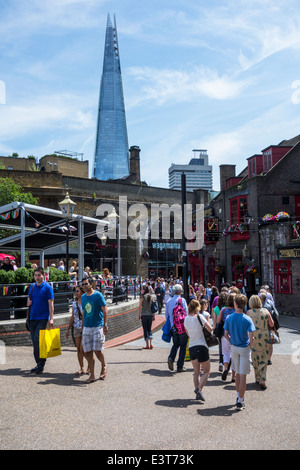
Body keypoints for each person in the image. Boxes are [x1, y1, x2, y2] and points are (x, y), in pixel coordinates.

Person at [224, 294, 255, 411]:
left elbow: (226, 334)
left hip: (234, 346)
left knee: (237, 373)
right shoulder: (247, 319)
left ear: (235, 304)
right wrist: (250, 346)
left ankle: (238, 397)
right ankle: (241, 400)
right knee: (243, 375)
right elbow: (252, 337)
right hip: (244, 347)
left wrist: (231, 341)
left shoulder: (229, 318)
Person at [26, 267, 54, 374]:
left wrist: (51, 318)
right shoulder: (32, 287)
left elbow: (51, 303)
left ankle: (41, 363)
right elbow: (29, 299)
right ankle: (39, 363)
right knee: (34, 341)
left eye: (39, 275)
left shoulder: (47, 287)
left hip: (43, 317)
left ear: (43, 275)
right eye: (35, 275)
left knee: (38, 339)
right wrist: (28, 301)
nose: (37, 277)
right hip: (32, 317)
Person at [184, 299, 213, 401]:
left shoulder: (186, 319)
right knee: (206, 371)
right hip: (201, 345)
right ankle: (199, 390)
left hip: (192, 346)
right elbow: (209, 329)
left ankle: (197, 390)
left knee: (196, 372)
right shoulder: (199, 317)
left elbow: (188, 333)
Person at [81, 277, 108, 384]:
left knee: (97, 351)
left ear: (91, 284)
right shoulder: (83, 297)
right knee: (87, 351)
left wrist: (105, 324)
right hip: (87, 327)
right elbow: (84, 312)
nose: (84, 286)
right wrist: (83, 326)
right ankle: (92, 375)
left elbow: (105, 309)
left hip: (98, 326)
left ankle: (103, 365)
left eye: (86, 284)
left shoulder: (98, 295)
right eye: (82, 284)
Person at [248, 295, 274, 389]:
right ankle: (263, 378)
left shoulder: (249, 312)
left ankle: (258, 378)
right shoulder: (265, 311)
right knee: (264, 356)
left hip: (253, 336)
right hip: (264, 336)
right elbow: (271, 324)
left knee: (255, 357)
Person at [165, 284, 188, 372]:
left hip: (173, 327)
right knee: (183, 346)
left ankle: (171, 357)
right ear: (180, 292)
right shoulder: (182, 300)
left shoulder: (169, 301)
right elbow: (186, 312)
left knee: (175, 344)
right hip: (182, 327)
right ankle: (180, 366)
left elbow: (166, 315)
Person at [66, 285, 87, 375]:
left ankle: (90, 365)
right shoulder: (74, 304)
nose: (76, 292)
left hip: (85, 327)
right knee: (78, 349)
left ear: (82, 293)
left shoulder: (86, 302)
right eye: (76, 291)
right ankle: (82, 368)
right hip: (76, 327)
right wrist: (68, 328)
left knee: (84, 349)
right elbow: (73, 317)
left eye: (77, 291)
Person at [217, 293, 236, 382]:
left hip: (225, 333)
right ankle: (233, 376)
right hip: (234, 335)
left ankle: (225, 369)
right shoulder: (237, 310)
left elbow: (218, 321)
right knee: (234, 355)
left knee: (225, 353)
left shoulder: (223, 310)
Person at [138, 285, 156, 349]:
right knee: (149, 329)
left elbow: (140, 307)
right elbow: (153, 307)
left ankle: (147, 345)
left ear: (144, 290)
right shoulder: (151, 297)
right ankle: (151, 343)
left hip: (144, 315)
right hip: (150, 314)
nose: (141, 291)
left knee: (145, 330)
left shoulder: (142, 297)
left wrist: (139, 315)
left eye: (142, 289)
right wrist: (154, 315)